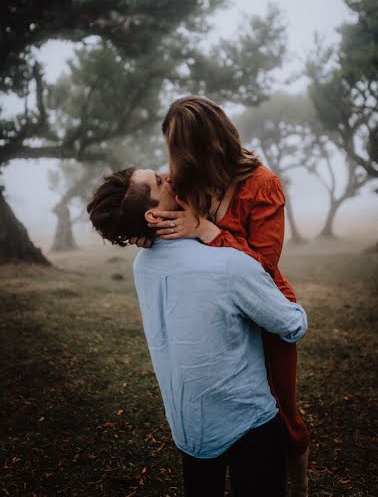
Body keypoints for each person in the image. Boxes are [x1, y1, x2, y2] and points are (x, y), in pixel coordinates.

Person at [87, 166, 308, 497]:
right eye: (160, 183)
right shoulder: (227, 264)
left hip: (189, 427)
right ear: (153, 214)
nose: (169, 176)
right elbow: (292, 325)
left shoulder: (142, 265)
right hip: (248, 423)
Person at [131, 96, 310, 497]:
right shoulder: (185, 182)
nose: (172, 165)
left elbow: (264, 264)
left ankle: (299, 483)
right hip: (216, 313)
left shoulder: (262, 185)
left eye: (179, 151)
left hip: (264, 308)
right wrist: (142, 235)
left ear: (206, 144)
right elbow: (147, 209)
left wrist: (209, 232)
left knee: (282, 411)